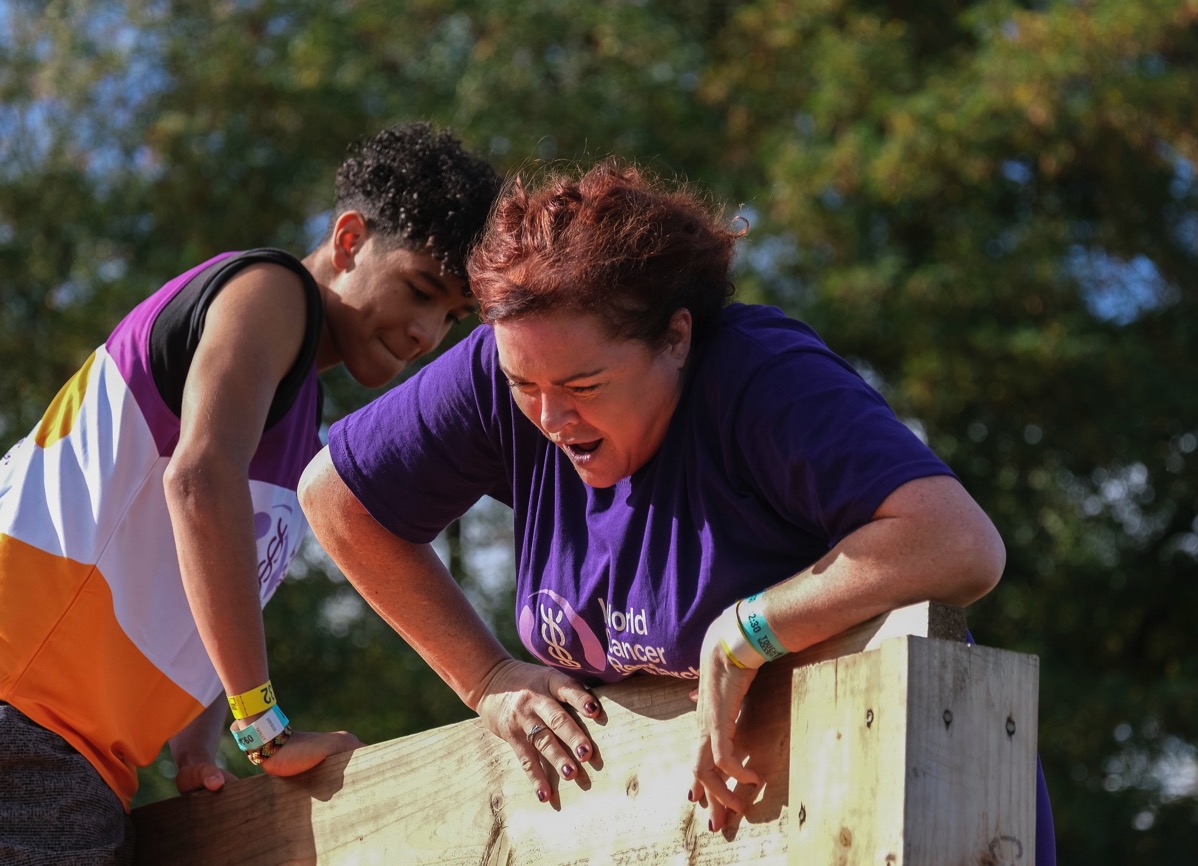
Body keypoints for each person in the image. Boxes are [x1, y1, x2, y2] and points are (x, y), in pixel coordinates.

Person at [298, 159, 1055, 863]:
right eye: (525, 387)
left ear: (676, 338)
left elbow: (961, 544)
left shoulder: (763, 376)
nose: (552, 417)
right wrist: (488, 676)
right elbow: (334, 497)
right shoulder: (510, 371)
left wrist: (748, 630)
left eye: (585, 386)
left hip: (900, 807)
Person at [0, 121, 499, 864]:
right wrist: (261, 726)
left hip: (67, 751)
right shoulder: (271, 294)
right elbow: (198, 482)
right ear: (351, 237)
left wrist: (195, 737)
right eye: (421, 289)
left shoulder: (297, 418)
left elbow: (183, 566)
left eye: (453, 317)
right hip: (27, 723)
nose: (428, 331)